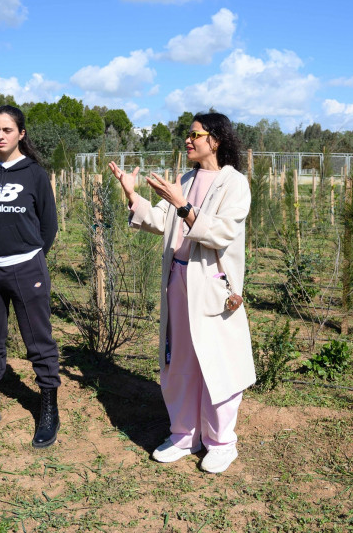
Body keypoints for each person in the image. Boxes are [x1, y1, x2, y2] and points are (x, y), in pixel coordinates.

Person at [108, 111, 255, 474]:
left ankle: (222, 443)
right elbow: (161, 220)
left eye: (195, 135)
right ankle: (184, 435)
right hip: (178, 281)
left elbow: (221, 233)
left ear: (215, 140)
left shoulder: (234, 184)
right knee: (181, 364)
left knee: (216, 363)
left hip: (212, 288)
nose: (188, 141)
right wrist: (132, 194)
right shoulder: (186, 179)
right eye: (188, 135)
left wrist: (183, 205)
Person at [0, 104, 61, 448]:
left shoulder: (34, 173)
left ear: (21, 134)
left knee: (39, 342)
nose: (0, 136)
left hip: (26, 268)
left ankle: (49, 411)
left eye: (7, 130)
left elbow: (48, 225)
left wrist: (30, 257)